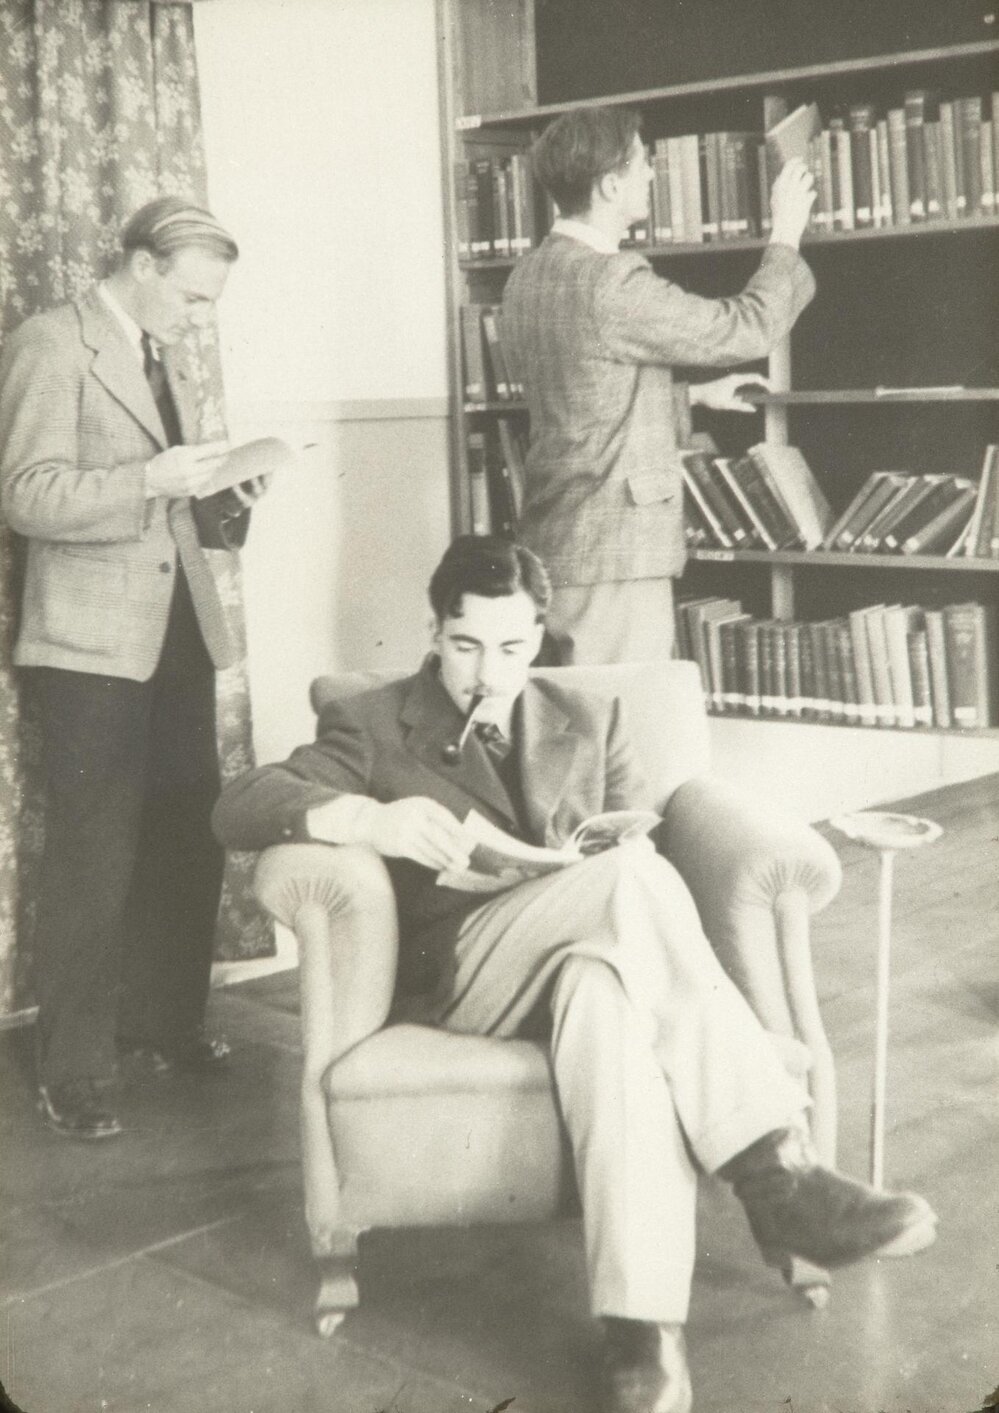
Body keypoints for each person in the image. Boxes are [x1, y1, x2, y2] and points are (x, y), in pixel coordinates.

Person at [212, 534, 937, 1413]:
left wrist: (588, 860)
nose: (487, 671)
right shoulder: (370, 721)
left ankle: (643, 1333)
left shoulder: (584, 717)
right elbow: (240, 804)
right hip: (467, 978)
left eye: (509, 647)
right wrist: (370, 820)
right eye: (465, 645)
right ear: (434, 633)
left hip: (587, 954)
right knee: (630, 883)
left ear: (537, 639)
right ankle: (773, 1170)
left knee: (610, 998)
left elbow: (637, 843)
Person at [0, 197, 269, 1140]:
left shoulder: (170, 355)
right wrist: (146, 482)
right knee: (94, 850)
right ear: (143, 265)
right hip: (91, 641)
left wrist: (232, 495)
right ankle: (73, 1069)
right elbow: (27, 496)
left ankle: (164, 1024)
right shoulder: (50, 344)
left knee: (188, 831)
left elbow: (186, 510)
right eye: (192, 298)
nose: (199, 321)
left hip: (179, 626)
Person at [501, 106, 817, 664]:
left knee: (569, 709)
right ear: (609, 185)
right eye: (644, 162)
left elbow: (583, 396)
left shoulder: (528, 275)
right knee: (621, 710)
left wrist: (691, 397)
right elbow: (746, 327)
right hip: (612, 555)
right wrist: (786, 235)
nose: (652, 174)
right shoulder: (609, 280)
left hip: (556, 542)